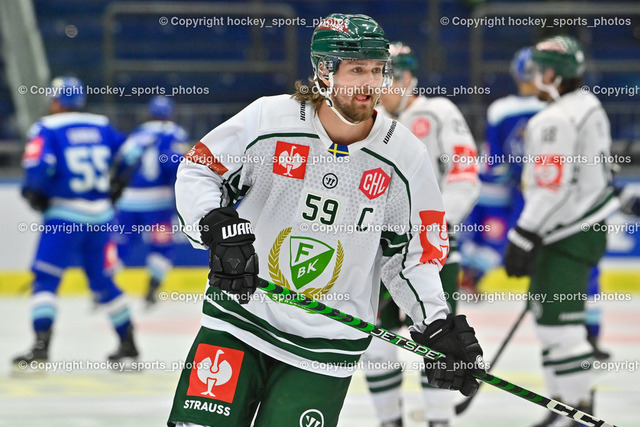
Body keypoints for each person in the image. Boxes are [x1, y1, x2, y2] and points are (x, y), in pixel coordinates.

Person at [167, 14, 485, 427]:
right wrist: (213, 225)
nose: (371, 84)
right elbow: (199, 170)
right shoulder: (269, 120)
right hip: (238, 324)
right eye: (357, 70)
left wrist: (436, 322)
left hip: (325, 349)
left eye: (377, 70)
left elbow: (415, 253)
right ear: (323, 71)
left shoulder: (404, 156)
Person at [362, 42, 480, 427]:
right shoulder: (370, 121)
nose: (380, 89)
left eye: (388, 80)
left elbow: (464, 174)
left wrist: (439, 225)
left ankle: (439, 421)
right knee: (376, 342)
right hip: (376, 254)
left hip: (431, 252)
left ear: (408, 78)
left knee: (440, 342)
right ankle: (389, 421)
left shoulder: (439, 111)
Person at [503, 35, 619, 426]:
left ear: (554, 74)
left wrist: (524, 233)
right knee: (549, 322)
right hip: (575, 229)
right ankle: (562, 403)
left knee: (562, 328)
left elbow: (552, 185)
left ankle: (580, 410)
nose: (533, 78)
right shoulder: (586, 106)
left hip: (565, 232)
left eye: (538, 71)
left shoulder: (555, 118)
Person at [14, 76, 139, 369]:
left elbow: (37, 168)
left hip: (64, 216)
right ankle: (129, 343)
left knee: (46, 279)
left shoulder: (46, 128)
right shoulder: (101, 124)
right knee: (103, 281)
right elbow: (132, 151)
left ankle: (41, 346)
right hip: (101, 216)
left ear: (56, 101)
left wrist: (34, 193)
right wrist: (118, 184)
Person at [460, 47, 546, 292]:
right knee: (500, 237)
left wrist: (503, 174)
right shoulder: (549, 108)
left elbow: (494, 155)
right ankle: (470, 276)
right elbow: (494, 154)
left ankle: (470, 275)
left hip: (510, 184)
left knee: (495, 235)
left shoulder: (501, 108)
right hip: (517, 186)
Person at [111, 95, 189, 306]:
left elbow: (121, 161)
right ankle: (152, 287)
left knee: (121, 243)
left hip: (128, 201)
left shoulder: (138, 133)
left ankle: (104, 283)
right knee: (162, 246)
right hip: (158, 203)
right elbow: (176, 163)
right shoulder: (174, 132)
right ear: (171, 114)